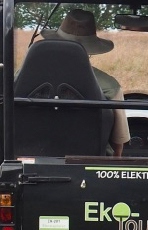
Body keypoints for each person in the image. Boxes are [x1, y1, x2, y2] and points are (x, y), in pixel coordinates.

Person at [42, 8, 130, 156]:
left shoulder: (24, 77)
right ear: (90, 49)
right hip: (92, 162)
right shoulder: (109, 86)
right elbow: (118, 142)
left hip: (35, 160)